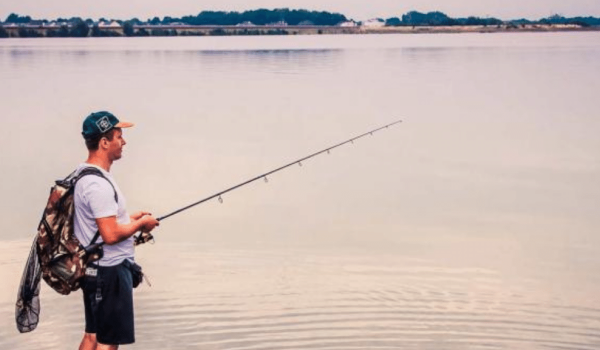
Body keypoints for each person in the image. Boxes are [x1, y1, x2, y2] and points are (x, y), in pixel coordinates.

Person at [74, 111, 159, 350]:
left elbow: (100, 224)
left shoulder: (85, 174)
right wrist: (142, 225)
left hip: (95, 270)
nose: (124, 142)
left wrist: (130, 218)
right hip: (109, 272)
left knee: (92, 335)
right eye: (118, 136)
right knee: (108, 342)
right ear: (104, 142)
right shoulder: (97, 184)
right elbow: (110, 235)